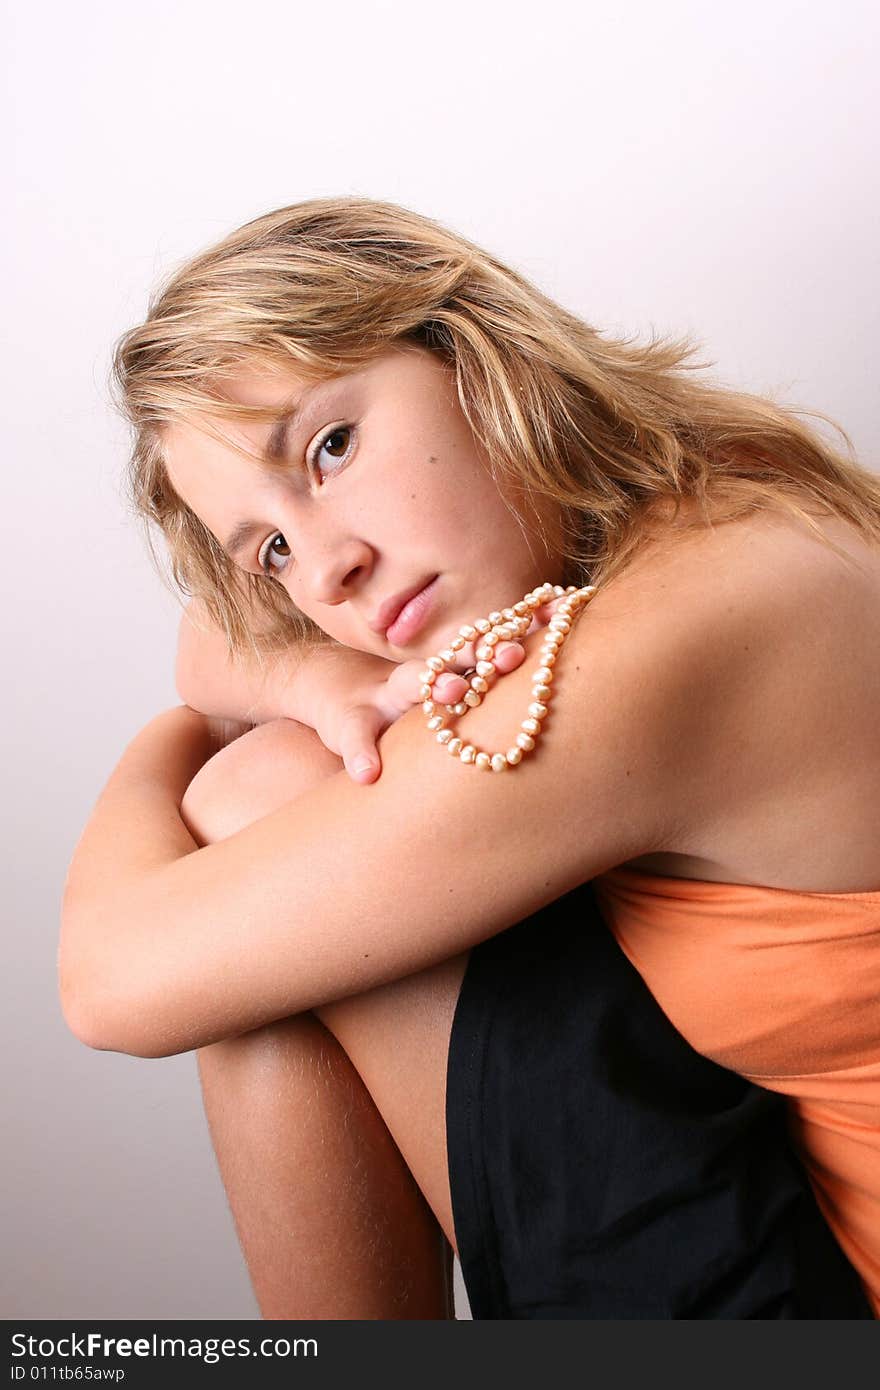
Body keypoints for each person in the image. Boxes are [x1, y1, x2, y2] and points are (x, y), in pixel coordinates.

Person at [59, 196, 880, 1320]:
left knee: (253, 802)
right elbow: (218, 636)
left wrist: (179, 736)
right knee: (270, 874)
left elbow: (110, 984)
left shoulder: (683, 630)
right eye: (272, 550)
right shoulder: (690, 502)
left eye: (329, 446)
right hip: (794, 1211)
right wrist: (303, 676)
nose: (324, 578)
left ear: (472, 349)